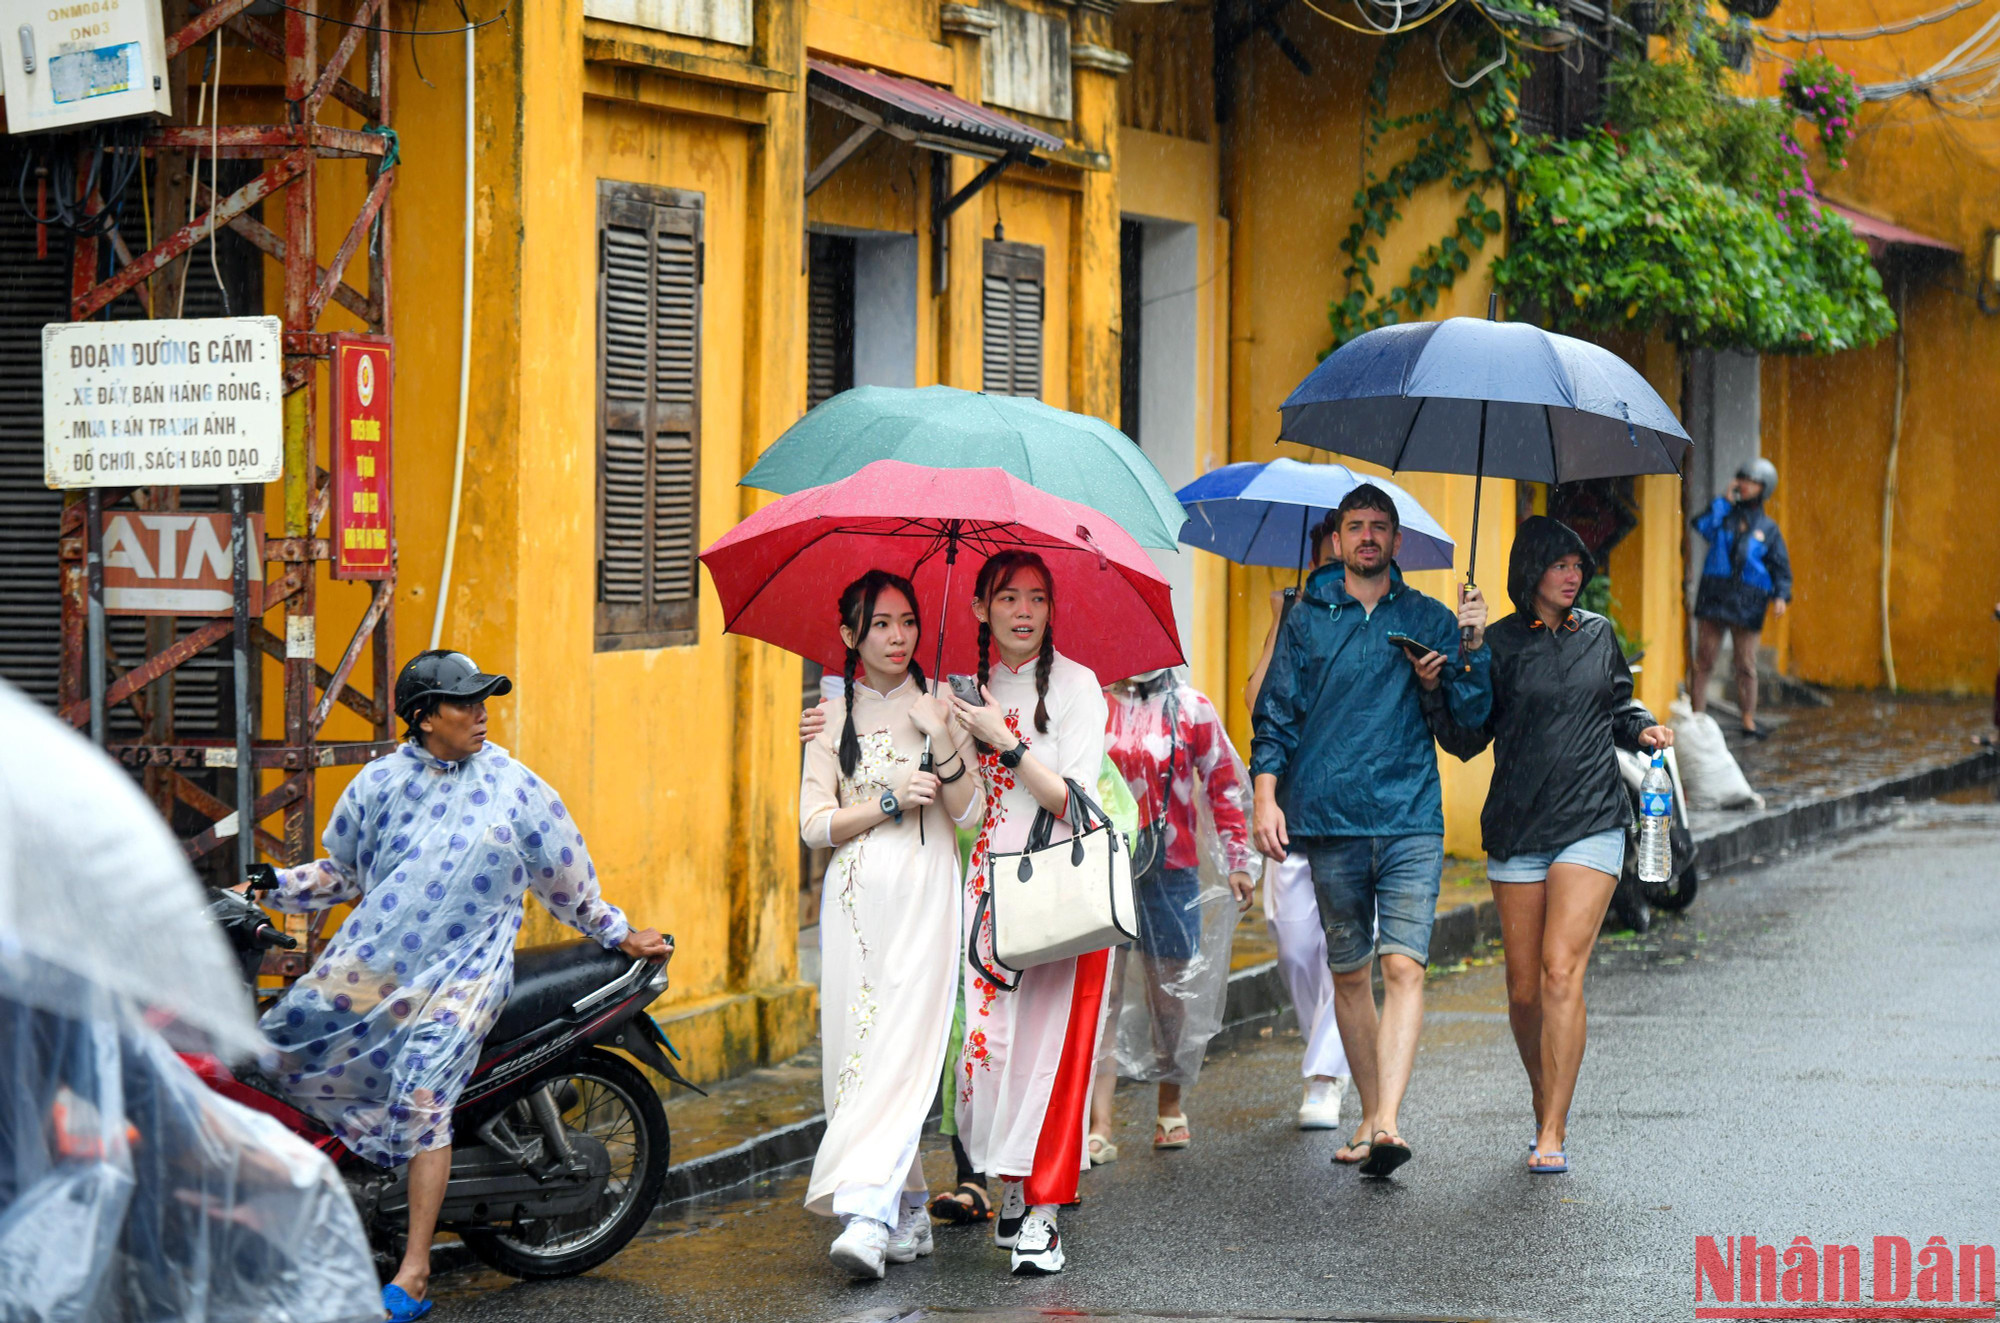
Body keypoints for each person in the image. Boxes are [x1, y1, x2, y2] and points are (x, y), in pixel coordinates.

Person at [251, 650, 670, 1322]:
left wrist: (619, 931)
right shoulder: (378, 785)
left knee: (421, 1090)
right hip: (377, 965)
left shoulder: (515, 787)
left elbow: (567, 882)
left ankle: (414, 1272)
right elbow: (343, 873)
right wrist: (269, 885)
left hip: (467, 972)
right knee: (280, 1041)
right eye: (463, 703)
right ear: (422, 718)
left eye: (484, 701)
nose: (480, 714)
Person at [1249, 484, 1490, 1179]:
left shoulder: (1429, 617)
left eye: (1379, 527)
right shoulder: (1306, 615)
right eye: (1355, 526)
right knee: (1349, 972)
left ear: (1396, 541)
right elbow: (1277, 715)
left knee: (1403, 965)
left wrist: (1455, 661)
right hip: (1328, 818)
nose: (1366, 537)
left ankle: (1385, 1119)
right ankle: (1370, 1114)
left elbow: (1468, 731)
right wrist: (1266, 796)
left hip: (1410, 814)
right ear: (1337, 539)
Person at [1430, 518, 1674, 1173]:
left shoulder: (1598, 634)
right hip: (1518, 824)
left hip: (1592, 817)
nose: (1573, 575)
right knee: (1523, 991)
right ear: (1531, 569)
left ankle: (1553, 1129)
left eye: (1578, 565)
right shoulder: (1499, 643)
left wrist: (1644, 726)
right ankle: (1545, 1094)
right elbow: (1465, 734)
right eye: (1560, 564)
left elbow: (1616, 706)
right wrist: (1462, 656)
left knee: (1561, 970)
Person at [798, 571, 982, 1279]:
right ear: (850, 635)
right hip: (853, 909)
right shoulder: (830, 716)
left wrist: (943, 735)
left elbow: (966, 812)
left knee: (906, 1044)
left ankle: (867, 1216)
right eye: (880, 623)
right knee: (858, 1051)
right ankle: (906, 1206)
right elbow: (815, 823)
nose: (899, 634)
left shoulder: (943, 708)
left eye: (907, 620)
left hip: (927, 898)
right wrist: (886, 797)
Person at [946, 550, 1110, 1276]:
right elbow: (969, 811)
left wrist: (1005, 741)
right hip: (987, 888)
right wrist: (951, 740)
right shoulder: (967, 692)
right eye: (1007, 597)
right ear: (980, 607)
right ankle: (1011, 1182)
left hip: (1059, 892)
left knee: (1051, 1056)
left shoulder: (1077, 687)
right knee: (988, 1054)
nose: (1023, 611)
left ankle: (1043, 1211)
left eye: (1036, 599)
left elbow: (1076, 802)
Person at [1088, 669, 1258, 1158]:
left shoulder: (1192, 707)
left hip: (1173, 865)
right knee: (1107, 993)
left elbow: (1224, 782)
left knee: (1169, 995)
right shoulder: (1095, 703)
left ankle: (1169, 1104)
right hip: (1106, 866)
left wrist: (1237, 859)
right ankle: (1100, 1123)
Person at [1244, 512, 1355, 1131]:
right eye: (1330, 548)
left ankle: (1324, 1075)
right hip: (1289, 805)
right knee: (1292, 941)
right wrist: (1279, 622)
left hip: (1350, 810)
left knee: (1342, 941)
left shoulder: (1373, 617)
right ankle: (1336, 1049)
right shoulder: (1294, 613)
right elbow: (1257, 704)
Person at [1689, 458, 1792, 740]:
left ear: (1764, 488)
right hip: (1715, 596)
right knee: (1704, 660)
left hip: (1748, 601)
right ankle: (1697, 718)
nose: (1745, 485)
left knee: (1745, 664)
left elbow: (1780, 566)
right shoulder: (1722, 515)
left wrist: (1781, 595)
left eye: (1752, 481)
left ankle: (1748, 718)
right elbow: (1702, 526)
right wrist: (1724, 500)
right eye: (1742, 479)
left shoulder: (1768, 529)